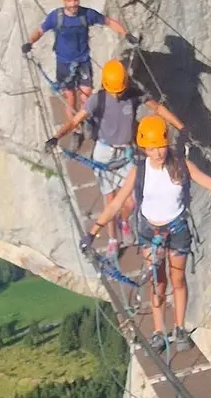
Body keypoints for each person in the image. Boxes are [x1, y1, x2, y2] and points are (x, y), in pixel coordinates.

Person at [83, 115, 211, 352]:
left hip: (177, 230)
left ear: (166, 142)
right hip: (150, 232)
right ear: (144, 148)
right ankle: (159, 332)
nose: (157, 152)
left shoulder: (182, 166)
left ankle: (179, 328)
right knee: (157, 282)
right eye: (151, 148)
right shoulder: (139, 171)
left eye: (160, 146)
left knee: (178, 280)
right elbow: (116, 204)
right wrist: (93, 232)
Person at [46, 60, 185, 257]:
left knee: (133, 199)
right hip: (105, 152)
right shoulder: (98, 100)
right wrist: (56, 137)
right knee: (110, 198)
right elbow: (76, 120)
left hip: (126, 151)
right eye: (115, 91)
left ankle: (124, 221)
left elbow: (158, 108)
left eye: (120, 91)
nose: (118, 95)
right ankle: (113, 238)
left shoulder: (133, 94)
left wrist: (180, 127)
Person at [20, 0, 135, 123]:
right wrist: (30, 43)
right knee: (70, 97)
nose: (73, 4)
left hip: (83, 60)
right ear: (64, 1)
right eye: (69, 1)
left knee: (86, 93)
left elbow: (108, 22)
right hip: (64, 63)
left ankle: (86, 121)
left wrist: (126, 34)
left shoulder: (86, 14)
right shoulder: (56, 17)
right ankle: (75, 127)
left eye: (75, 0)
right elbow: (40, 31)